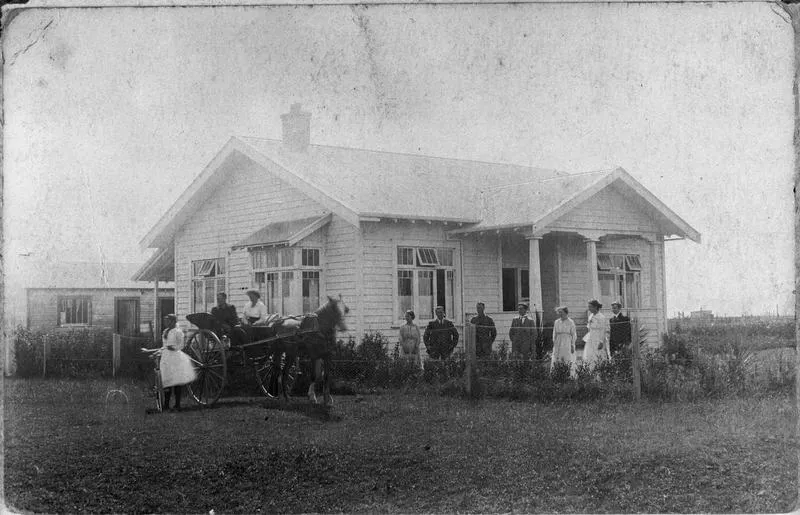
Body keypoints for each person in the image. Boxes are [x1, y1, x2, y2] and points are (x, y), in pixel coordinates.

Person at [159, 314, 196, 411]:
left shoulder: (178, 332)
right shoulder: (165, 331)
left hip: (175, 357)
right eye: (165, 320)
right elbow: (164, 345)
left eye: (168, 320)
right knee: (167, 381)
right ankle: (166, 404)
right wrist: (159, 352)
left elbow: (181, 345)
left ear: (173, 321)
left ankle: (177, 404)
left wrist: (174, 348)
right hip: (166, 358)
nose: (166, 322)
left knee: (176, 381)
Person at [583, 299, 610, 370]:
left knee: (598, 354)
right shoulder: (591, 315)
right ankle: (590, 371)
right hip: (591, 337)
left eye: (590, 307)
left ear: (595, 307)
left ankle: (599, 371)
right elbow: (589, 327)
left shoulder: (601, 317)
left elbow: (603, 330)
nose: (589, 309)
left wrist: (601, 341)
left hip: (598, 337)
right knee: (589, 354)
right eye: (588, 307)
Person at [550, 306, 577, 374]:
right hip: (558, 342)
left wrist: (572, 344)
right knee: (557, 357)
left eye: (561, 312)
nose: (560, 314)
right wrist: (554, 342)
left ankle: (568, 373)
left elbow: (573, 334)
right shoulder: (557, 322)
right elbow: (554, 333)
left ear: (566, 312)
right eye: (559, 312)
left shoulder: (571, 322)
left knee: (566, 357)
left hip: (567, 341)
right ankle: (557, 373)